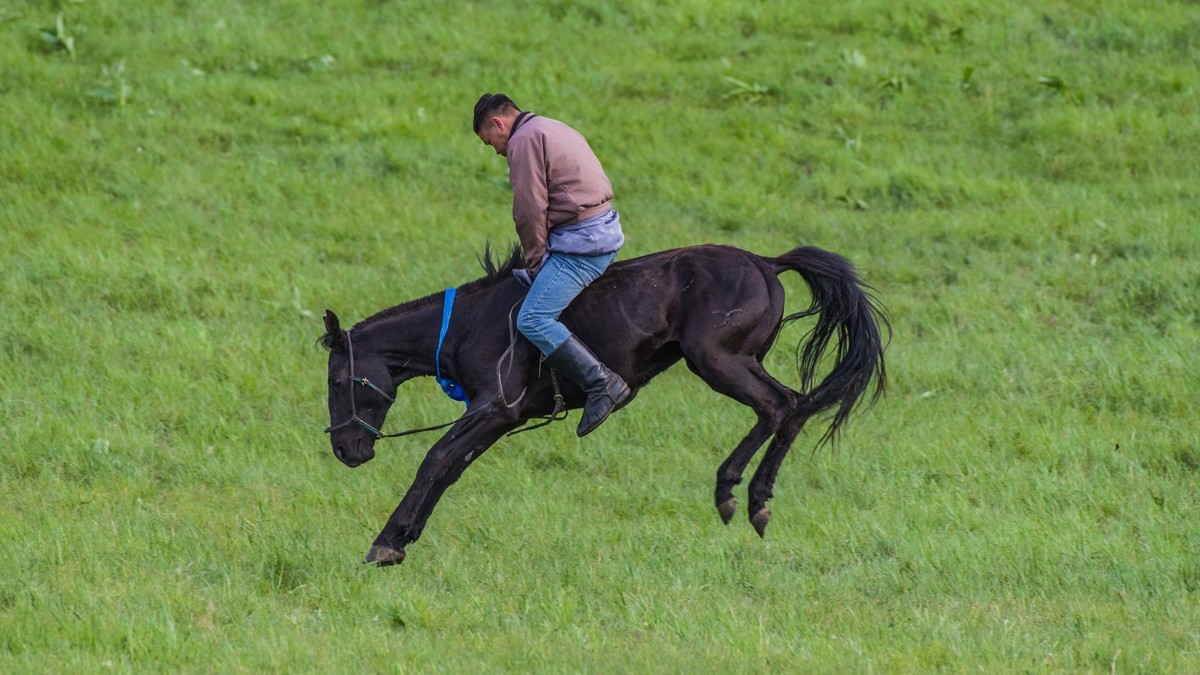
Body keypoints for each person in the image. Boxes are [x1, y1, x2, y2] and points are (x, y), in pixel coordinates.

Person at [473, 92, 631, 437]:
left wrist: (534, 263)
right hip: (597, 227)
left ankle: (602, 383)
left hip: (583, 243)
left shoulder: (523, 140)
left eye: (490, 142)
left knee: (533, 317)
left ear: (499, 124)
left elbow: (529, 211)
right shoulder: (548, 126)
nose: (496, 150)